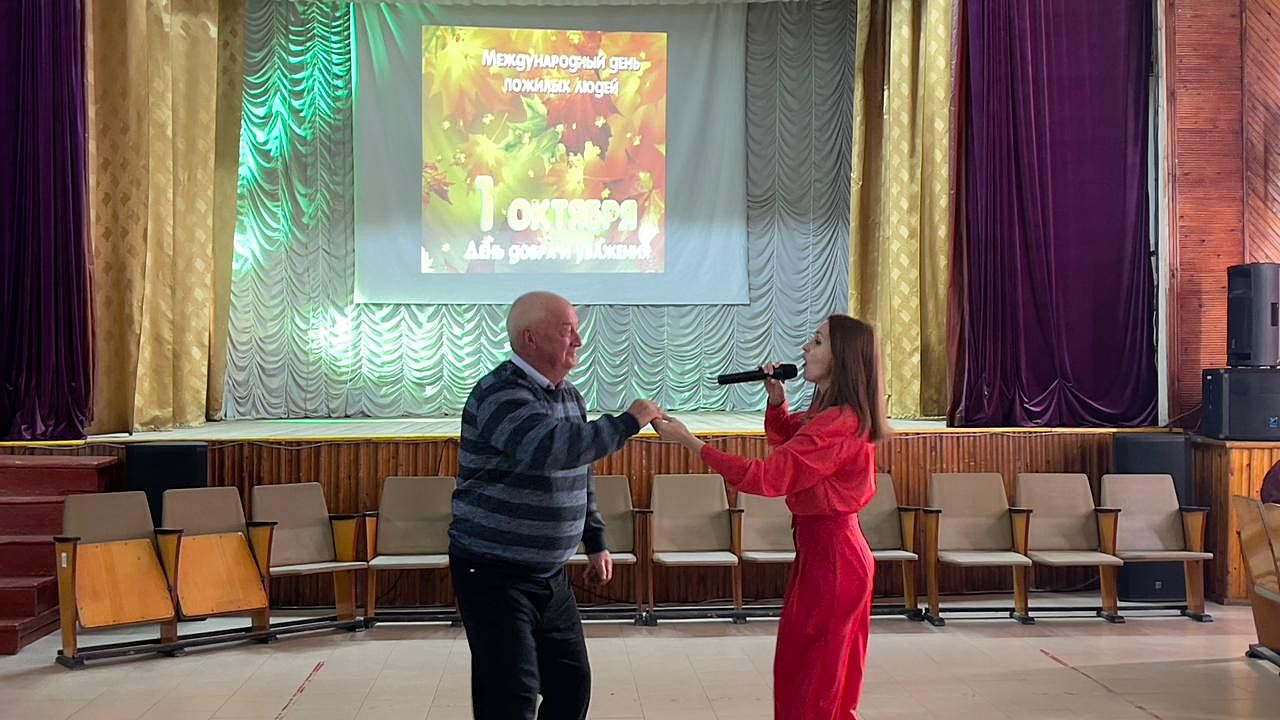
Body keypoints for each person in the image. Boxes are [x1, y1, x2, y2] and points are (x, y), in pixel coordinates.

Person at [652, 314, 889, 720]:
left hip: (835, 559)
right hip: (823, 554)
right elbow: (789, 440)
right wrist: (778, 399)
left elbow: (767, 477)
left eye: (817, 341)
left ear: (843, 357)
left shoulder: (840, 422)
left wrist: (692, 443)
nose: (805, 348)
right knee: (810, 673)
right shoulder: (829, 413)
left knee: (815, 682)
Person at [448, 291, 663, 720]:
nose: (578, 341)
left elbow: (580, 473)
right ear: (530, 338)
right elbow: (552, 448)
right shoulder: (500, 392)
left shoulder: (569, 396)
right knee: (510, 697)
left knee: (571, 685)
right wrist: (628, 422)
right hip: (493, 572)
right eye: (568, 331)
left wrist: (595, 539)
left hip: (549, 574)